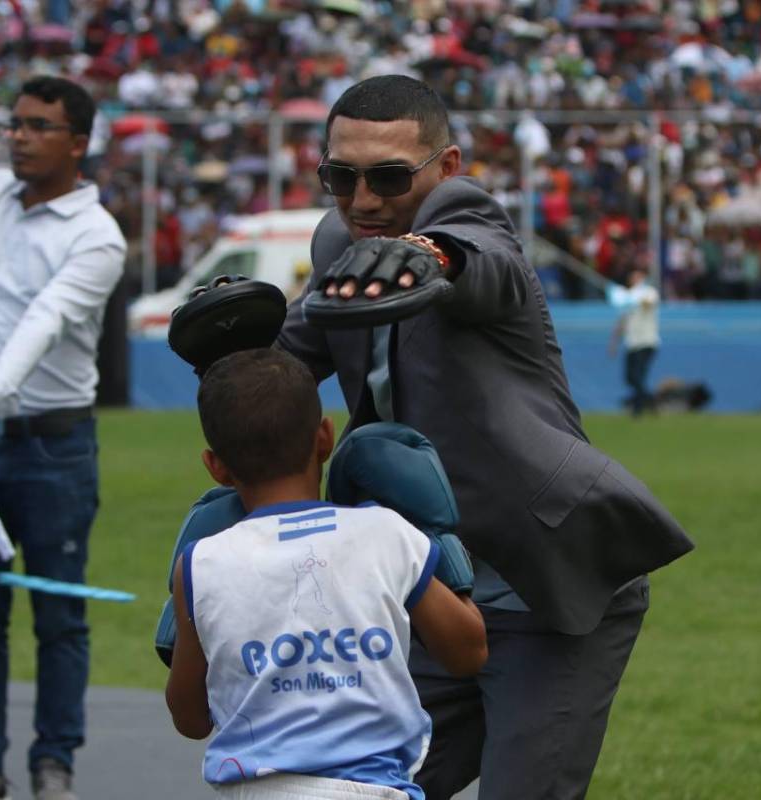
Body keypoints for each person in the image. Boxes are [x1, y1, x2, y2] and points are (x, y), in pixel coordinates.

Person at [276, 75, 693, 800]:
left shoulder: (467, 226)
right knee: (346, 792)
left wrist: (432, 258)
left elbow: (482, 263)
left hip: (545, 591)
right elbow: (289, 357)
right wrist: (233, 348)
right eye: (341, 176)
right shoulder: (340, 239)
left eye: (389, 177)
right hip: (432, 597)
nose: (364, 198)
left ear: (447, 169)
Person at [166, 348, 487, 799]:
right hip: (372, 789)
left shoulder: (200, 564)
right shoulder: (384, 533)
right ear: (325, 438)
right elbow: (468, 651)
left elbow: (189, 718)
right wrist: (439, 537)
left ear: (215, 466)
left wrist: (186, 612)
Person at [0, 76, 126, 800]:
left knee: (60, 615)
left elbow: (43, 322)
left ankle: (55, 764)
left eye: (38, 126)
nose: (18, 136)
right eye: (14, 123)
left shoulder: (96, 236)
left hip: (54, 447)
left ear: (77, 143)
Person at [608, 267, 661, 417]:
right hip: (632, 343)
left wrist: (634, 298)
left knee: (638, 376)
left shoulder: (649, 292)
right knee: (629, 378)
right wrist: (613, 343)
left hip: (647, 342)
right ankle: (649, 400)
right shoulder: (627, 297)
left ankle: (638, 410)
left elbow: (648, 304)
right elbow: (622, 322)